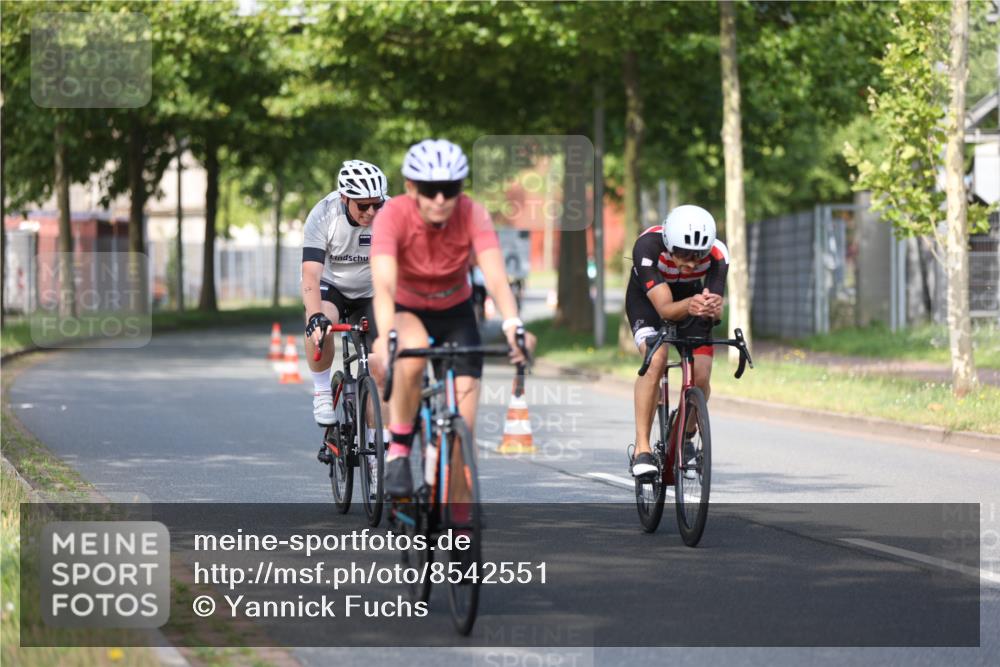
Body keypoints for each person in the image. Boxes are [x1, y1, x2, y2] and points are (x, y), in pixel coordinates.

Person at [370, 138, 535, 498]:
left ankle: (459, 523)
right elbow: (383, 284)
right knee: (408, 353)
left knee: (464, 430)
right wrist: (385, 338)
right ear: (411, 188)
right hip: (407, 307)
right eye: (430, 190)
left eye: (450, 189)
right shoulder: (393, 215)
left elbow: (494, 277)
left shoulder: (473, 214)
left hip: (455, 311)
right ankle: (399, 448)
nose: (441, 199)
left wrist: (513, 325)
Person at [626, 205, 728, 478]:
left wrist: (714, 306)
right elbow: (665, 310)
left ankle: (686, 435)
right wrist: (692, 305)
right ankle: (642, 449)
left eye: (699, 255)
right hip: (650, 303)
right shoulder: (647, 247)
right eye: (684, 254)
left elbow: (716, 305)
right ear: (670, 244)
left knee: (702, 375)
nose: (692, 263)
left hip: (692, 300)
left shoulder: (718, 254)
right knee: (656, 359)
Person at [301, 159, 388, 429]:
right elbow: (311, 275)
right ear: (344, 197)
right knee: (321, 322)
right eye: (363, 205)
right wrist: (315, 315)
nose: (371, 212)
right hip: (332, 285)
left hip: (372, 290)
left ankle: (377, 449)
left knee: (380, 367)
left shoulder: (392, 213)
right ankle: (322, 391)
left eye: (377, 204)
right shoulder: (324, 214)